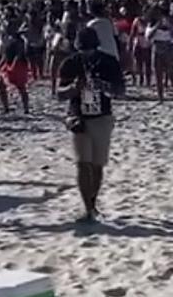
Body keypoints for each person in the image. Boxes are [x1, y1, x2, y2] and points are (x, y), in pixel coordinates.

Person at [57, 28, 124, 223]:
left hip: (102, 115)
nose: (86, 53)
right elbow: (59, 94)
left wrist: (102, 85)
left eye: (89, 49)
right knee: (82, 164)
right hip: (78, 116)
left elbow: (120, 90)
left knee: (96, 166)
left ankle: (92, 203)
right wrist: (73, 88)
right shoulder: (70, 63)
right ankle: (87, 208)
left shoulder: (108, 62)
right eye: (83, 49)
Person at [146, 9, 173, 102]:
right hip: (157, 47)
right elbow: (148, 36)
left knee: (171, 72)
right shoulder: (151, 25)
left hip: (167, 47)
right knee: (158, 73)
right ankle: (160, 96)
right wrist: (157, 26)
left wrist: (169, 26)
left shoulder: (169, 26)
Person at [0, 26, 30, 114]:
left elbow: (19, 54)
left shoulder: (20, 41)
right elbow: (5, 55)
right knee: (1, 85)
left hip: (18, 66)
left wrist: (13, 66)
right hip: (8, 64)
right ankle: (6, 108)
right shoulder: (7, 39)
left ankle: (26, 109)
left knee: (21, 87)